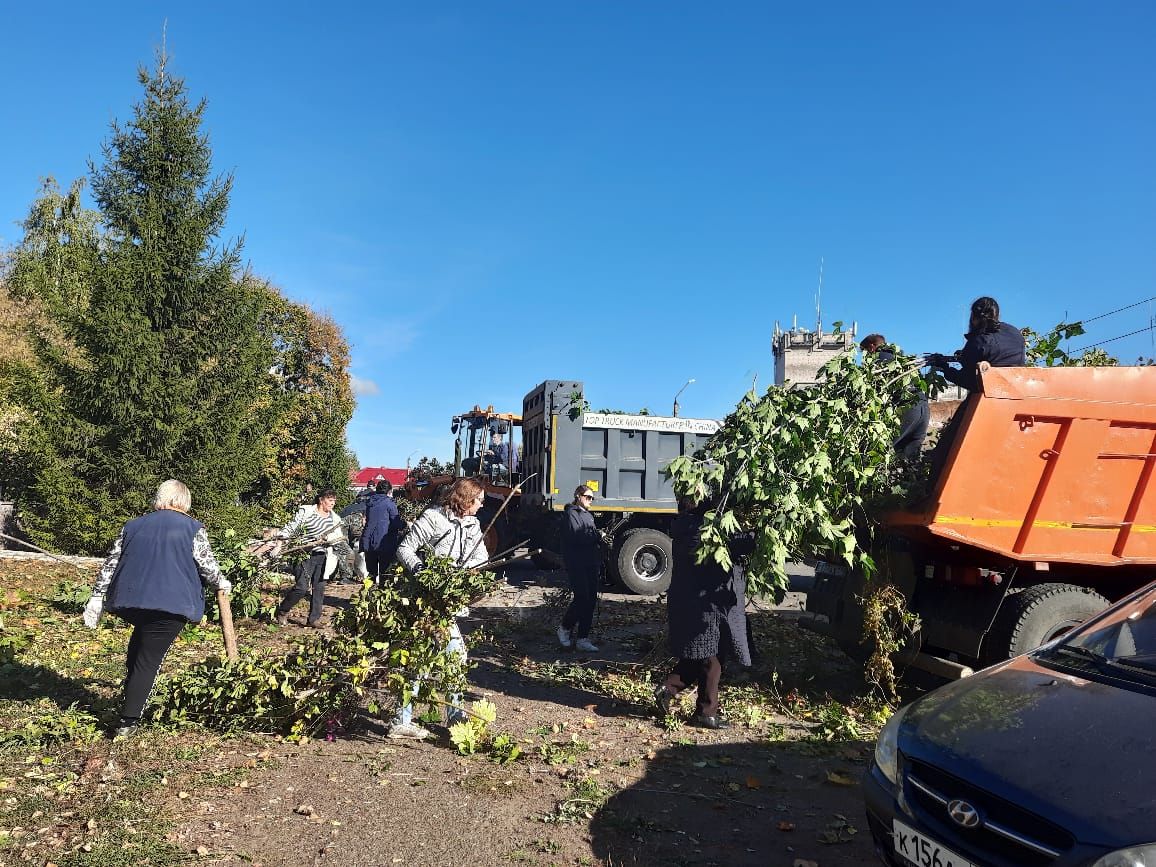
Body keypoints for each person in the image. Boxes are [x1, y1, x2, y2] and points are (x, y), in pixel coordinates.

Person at [82, 479, 231, 738]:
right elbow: (207, 566)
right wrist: (222, 582)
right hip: (172, 605)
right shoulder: (193, 528)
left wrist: (97, 596)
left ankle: (128, 695)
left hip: (134, 603)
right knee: (148, 660)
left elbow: (111, 563)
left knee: (139, 646)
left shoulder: (133, 526)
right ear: (183, 502)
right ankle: (128, 721)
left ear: (160, 499)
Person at [390, 477, 489, 739]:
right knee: (432, 658)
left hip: (449, 603)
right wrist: (424, 573)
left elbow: (482, 558)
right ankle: (416, 719)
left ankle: (444, 717)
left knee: (439, 658)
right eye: (479, 500)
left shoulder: (472, 524)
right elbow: (405, 549)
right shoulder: (434, 518)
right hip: (427, 601)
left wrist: (470, 574)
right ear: (466, 499)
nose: (481, 505)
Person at [654, 496, 754, 730]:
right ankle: (706, 713)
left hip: (692, 602)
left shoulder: (684, 527)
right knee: (714, 658)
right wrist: (760, 531)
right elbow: (736, 544)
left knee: (698, 655)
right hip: (704, 606)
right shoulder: (700, 530)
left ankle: (667, 689)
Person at [273, 488, 343, 627]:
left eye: (334, 501)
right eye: (330, 500)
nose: (332, 503)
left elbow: (338, 536)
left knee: (319, 588)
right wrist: (279, 543)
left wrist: (331, 539)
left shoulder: (334, 518)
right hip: (304, 554)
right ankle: (282, 611)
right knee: (301, 588)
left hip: (323, 556)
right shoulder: (307, 512)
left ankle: (313, 619)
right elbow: (292, 527)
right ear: (321, 500)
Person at [928, 296, 1026, 392]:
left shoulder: (978, 341)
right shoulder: (1014, 332)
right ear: (997, 314)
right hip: (1017, 390)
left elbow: (966, 380)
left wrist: (945, 368)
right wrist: (964, 356)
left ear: (973, 317)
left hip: (991, 395)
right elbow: (996, 355)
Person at [860, 333, 930, 460]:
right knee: (909, 461)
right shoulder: (903, 360)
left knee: (875, 452)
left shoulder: (878, 361)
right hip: (923, 409)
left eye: (864, 352)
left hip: (906, 409)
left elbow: (870, 392)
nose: (863, 357)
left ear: (871, 347)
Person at [557, 484, 602, 652]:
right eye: (588, 497)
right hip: (577, 563)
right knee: (581, 597)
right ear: (578, 496)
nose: (590, 500)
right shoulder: (571, 514)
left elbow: (589, 535)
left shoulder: (588, 516)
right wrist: (597, 536)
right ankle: (564, 628)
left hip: (590, 562)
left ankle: (583, 638)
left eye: (592, 498)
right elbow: (579, 536)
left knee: (590, 600)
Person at [361, 480, 404, 583]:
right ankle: (381, 595)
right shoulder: (389, 503)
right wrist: (405, 524)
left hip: (369, 541)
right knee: (385, 574)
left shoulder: (370, 502)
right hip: (385, 543)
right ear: (389, 491)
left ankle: (368, 596)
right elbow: (396, 523)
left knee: (371, 573)